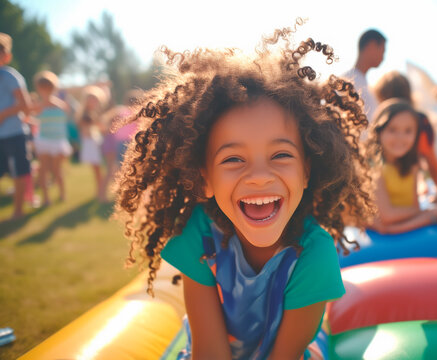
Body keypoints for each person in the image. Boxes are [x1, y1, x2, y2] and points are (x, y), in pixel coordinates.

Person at [113, 27, 374, 359]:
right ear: (204, 178)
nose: (259, 178)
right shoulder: (200, 232)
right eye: (233, 159)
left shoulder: (314, 253)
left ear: (307, 170)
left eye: (280, 155)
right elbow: (210, 352)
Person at [367, 99, 437, 234]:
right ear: (379, 131)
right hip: (394, 221)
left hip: (410, 215)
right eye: (392, 130)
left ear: (416, 135)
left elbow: (414, 205)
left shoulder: (411, 165)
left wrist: (427, 209)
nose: (400, 138)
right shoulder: (374, 169)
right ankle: (432, 217)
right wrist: (426, 212)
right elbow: (387, 216)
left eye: (408, 131)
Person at [373, 71, 437, 197]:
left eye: (408, 131)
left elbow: (431, 161)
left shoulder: (381, 121)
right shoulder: (421, 120)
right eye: (392, 130)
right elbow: (431, 161)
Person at [0, 33, 32, 220]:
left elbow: (25, 105)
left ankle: (18, 211)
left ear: (6, 56)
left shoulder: (10, 76)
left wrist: (3, 114)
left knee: (19, 173)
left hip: (14, 134)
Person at [32, 71, 72, 205]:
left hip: (57, 141)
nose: (45, 91)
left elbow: (67, 112)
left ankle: (62, 194)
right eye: (42, 88)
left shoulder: (61, 105)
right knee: (43, 170)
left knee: (56, 169)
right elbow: (32, 118)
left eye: (47, 88)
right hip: (44, 140)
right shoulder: (38, 106)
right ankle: (46, 198)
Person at [343, 29, 386, 122]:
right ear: (372, 46)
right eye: (382, 51)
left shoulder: (366, 84)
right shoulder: (348, 82)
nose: (383, 57)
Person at [77, 85, 107, 202]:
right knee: (98, 169)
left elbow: (102, 128)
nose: (92, 101)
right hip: (91, 143)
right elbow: (87, 129)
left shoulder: (95, 113)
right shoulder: (86, 114)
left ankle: (100, 191)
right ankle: (100, 192)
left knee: (100, 169)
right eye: (90, 99)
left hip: (95, 142)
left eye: (94, 99)